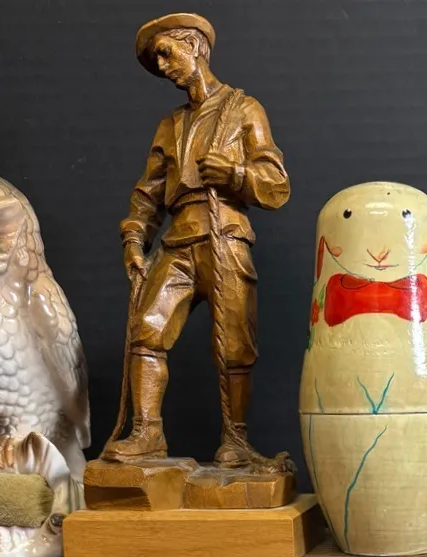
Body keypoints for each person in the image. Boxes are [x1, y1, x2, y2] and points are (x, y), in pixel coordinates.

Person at [103, 13, 291, 469]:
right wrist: (134, 238)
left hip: (225, 236)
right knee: (147, 330)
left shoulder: (244, 109)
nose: (162, 66)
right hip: (178, 242)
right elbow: (148, 194)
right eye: (157, 59)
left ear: (195, 46)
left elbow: (277, 185)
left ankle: (236, 440)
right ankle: (147, 433)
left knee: (234, 346)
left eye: (167, 53)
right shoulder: (170, 125)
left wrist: (236, 174)